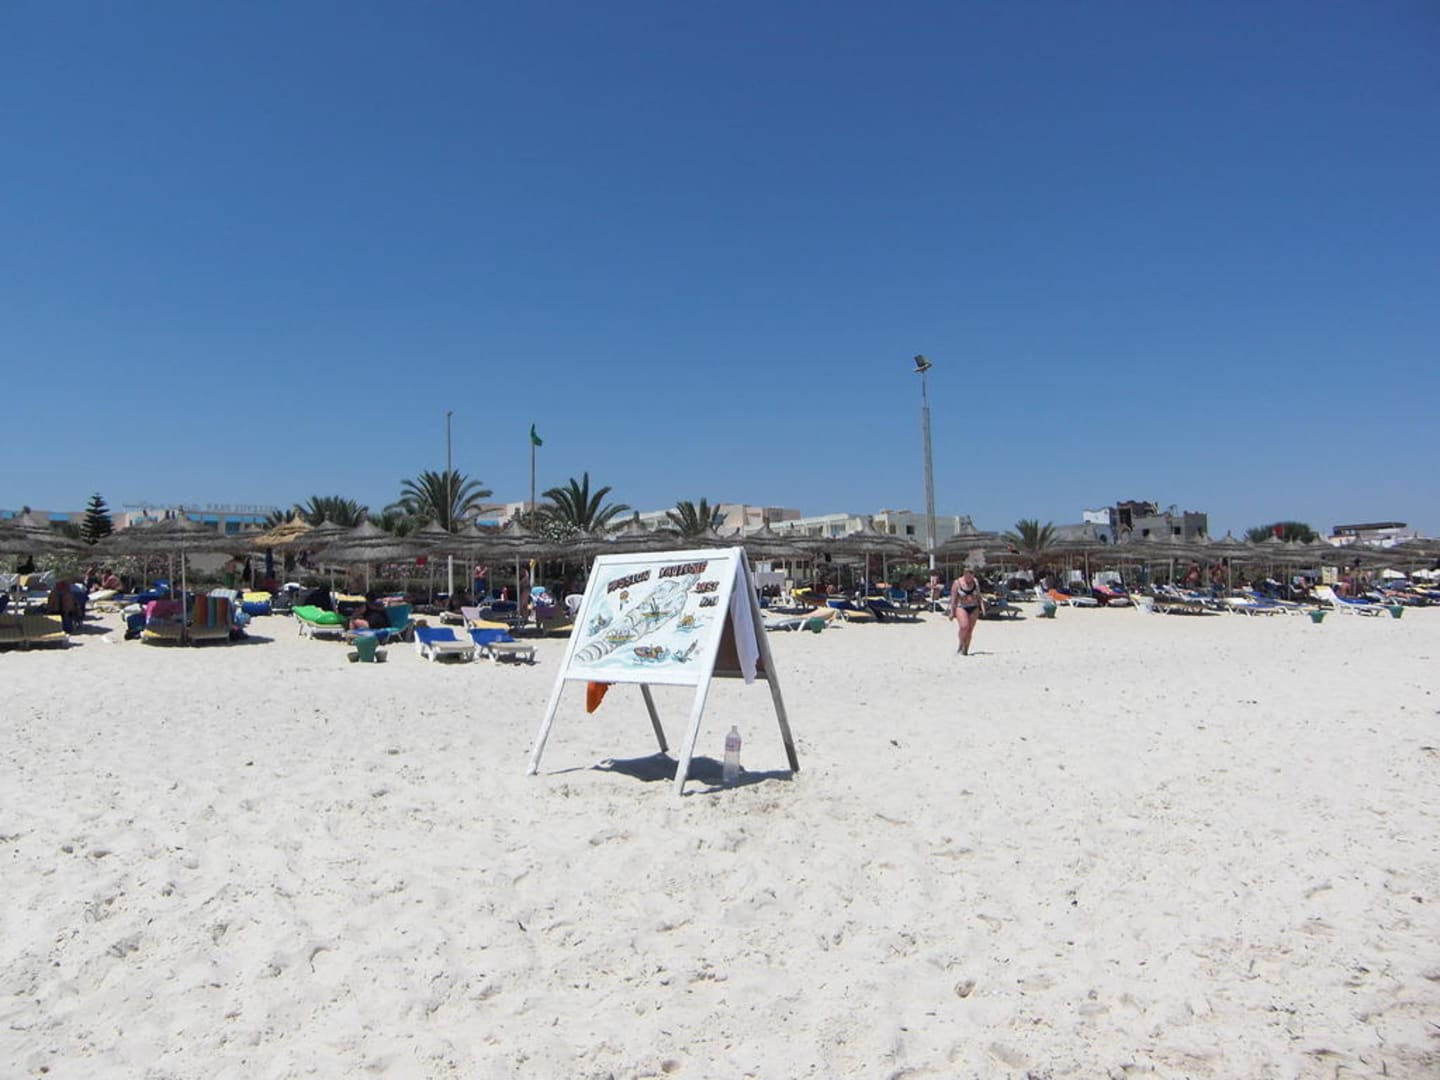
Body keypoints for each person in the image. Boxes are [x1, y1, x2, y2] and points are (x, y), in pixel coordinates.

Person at [947, 566, 985, 656]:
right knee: (964, 626)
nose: (970, 578)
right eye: (968, 575)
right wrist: (952, 612)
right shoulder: (957, 583)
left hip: (974, 607)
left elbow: (979, 595)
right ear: (964, 574)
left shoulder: (975, 581)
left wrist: (982, 607)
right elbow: (953, 599)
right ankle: (961, 643)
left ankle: (965, 650)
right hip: (961, 607)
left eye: (972, 575)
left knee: (970, 630)